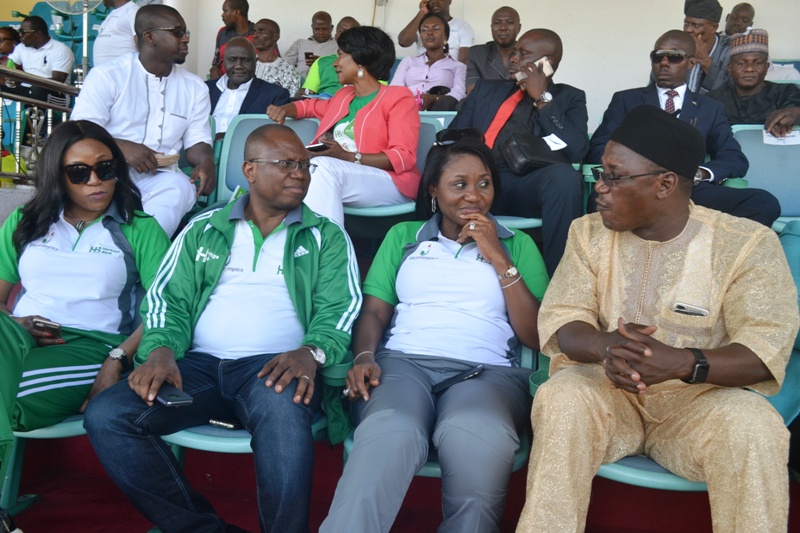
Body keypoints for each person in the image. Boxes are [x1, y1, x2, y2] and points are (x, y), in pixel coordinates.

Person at [516, 104, 798, 533]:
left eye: (614, 176)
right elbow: (563, 321)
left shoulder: (746, 244)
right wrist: (607, 346)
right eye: (600, 174)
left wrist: (686, 364)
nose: (600, 188)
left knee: (756, 424)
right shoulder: (587, 233)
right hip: (606, 395)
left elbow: (765, 349)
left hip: (700, 405)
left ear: (665, 184)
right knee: (561, 396)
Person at [83, 124, 362, 533]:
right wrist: (160, 349)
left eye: (304, 165)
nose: (300, 174)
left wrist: (313, 352)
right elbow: (167, 299)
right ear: (249, 170)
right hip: (196, 368)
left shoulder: (326, 236)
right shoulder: (204, 227)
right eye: (286, 164)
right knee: (108, 415)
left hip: (276, 370)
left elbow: (341, 308)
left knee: (285, 415)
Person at [321, 130, 548, 533]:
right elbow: (373, 312)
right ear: (433, 191)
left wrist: (498, 256)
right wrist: (364, 357)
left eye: (484, 184)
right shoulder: (403, 238)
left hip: (488, 373)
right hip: (403, 365)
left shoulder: (520, 245)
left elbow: (535, 335)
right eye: (458, 185)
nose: (473, 196)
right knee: (391, 429)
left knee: (477, 433)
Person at [0, 119, 169, 487]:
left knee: (8, 405)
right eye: (79, 172)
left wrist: (117, 359)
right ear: (57, 176)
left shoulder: (138, 228)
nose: (96, 181)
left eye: (106, 169)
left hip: (90, 346)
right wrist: (14, 325)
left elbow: (166, 309)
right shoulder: (24, 223)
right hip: (16, 340)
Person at [588, 30, 780, 228]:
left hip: (688, 191)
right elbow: (598, 148)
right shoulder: (626, 100)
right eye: (658, 56)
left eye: (674, 57)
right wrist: (636, 171)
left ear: (691, 63)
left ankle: (704, 254)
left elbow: (734, 159)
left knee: (764, 203)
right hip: (633, 187)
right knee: (599, 200)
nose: (664, 62)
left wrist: (699, 174)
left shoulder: (709, 108)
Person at [451, 28, 588, 276]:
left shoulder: (569, 98)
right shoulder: (486, 90)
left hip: (529, 186)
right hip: (479, 183)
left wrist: (543, 98)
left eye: (523, 54)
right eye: (514, 52)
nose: (513, 58)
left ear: (548, 63)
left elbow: (577, 149)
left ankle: (559, 284)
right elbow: (454, 136)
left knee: (565, 178)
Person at [71, 4, 215, 238]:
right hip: (106, 172)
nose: (185, 39)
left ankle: (138, 253)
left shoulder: (195, 87)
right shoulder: (108, 76)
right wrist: (121, 148)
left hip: (161, 177)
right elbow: (79, 130)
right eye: (177, 32)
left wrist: (206, 161)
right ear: (149, 37)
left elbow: (197, 141)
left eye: (185, 33)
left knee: (180, 188)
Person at [267, 27, 421, 226]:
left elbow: (403, 157)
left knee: (321, 167)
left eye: (340, 55)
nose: (335, 63)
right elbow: (310, 106)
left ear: (360, 59)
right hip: (337, 175)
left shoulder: (398, 97)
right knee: (285, 166)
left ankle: (327, 248)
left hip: (391, 182)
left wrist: (347, 156)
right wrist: (284, 110)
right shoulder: (343, 96)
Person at [709, 29, 800, 137]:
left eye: (758, 63)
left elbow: (795, 110)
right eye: (742, 63)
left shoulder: (786, 92)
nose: (749, 69)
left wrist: (794, 113)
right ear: (730, 68)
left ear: (767, 67)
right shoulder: (713, 100)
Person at [206, 37, 290, 139]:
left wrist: (227, 138)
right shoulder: (204, 89)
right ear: (224, 61)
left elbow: (274, 136)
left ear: (256, 62)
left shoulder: (275, 95)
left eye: (245, 60)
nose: (238, 66)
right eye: (232, 60)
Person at [390, 12, 466, 110]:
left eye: (436, 29)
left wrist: (436, 98)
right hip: (406, 108)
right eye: (424, 30)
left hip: (439, 109)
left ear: (446, 36)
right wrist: (409, 101)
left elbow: (459, 93)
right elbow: (395, 88)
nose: (429, 32)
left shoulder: (458, 66)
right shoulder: (408, 61)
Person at [6, 16, 74, 106]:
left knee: (37, 89)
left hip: (55, 94)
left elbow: (58, 81)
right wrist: (11, 78)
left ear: (37, 34)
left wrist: (24, 80)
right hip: (28, 89)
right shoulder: (21, 47)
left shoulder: (61, 49)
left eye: (23, 32)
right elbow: (9, 65)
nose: (20, 35)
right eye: (19, 31)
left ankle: (29, 118)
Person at [297, 16, 360, 99]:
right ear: (336, 35)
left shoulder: (368, 61)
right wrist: (304, 93)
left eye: (352, 32)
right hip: (325, 103)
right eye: (342, 31)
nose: (347, 35)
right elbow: (307, 91)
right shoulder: (321, 62)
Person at [465, 6, 520, 95]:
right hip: (485, 106)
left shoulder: (528, 54)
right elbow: (472, 91)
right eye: (497, 23)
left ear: (519, 28)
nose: (503, 28)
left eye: (509, 23)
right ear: (491, 28)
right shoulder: (476, 54)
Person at [398, 0, 474, 63]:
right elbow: (403, 42)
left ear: (449, 1)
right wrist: (422, 11)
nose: (434, 1)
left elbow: (465, 60)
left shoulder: (463, 27)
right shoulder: (422, 25)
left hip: (449, 75)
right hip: (420, 74)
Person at [682, 0, 730, 93]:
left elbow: (731, 91)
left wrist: (705, 61)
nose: (688, 29)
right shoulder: (677, 46)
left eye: (696, 25)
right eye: (686, 24)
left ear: (713, 28)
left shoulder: (728, 51)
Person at [252, 19, 301, 96]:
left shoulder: (288, 70)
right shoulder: (246, 64)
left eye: (261, 31)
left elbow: (290, 101)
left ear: (275, 37)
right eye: (254, 31)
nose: (255, 35)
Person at [209, 0, 254, 81]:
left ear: (236, 12)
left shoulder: (258, 33)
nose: (222, 15)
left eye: (225, 11)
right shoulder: (222, 33)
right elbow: (216, 62)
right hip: (224, 84)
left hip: (252, 85)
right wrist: (214, 69)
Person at [283, 11, 338, 78]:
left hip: (325, 84)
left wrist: (321, 63)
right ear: (312, 27)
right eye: (317, 29)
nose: (320, 32)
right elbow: (285, 65)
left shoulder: (338, 45)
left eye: (324, 29)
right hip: (298, 82)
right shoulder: (300, 43)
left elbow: (343, 66)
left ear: (331, 28)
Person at [93, 0, 139, 66]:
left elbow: (142, 43)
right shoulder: (113, 13)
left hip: (123, 72)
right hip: (104, 73)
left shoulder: (133, 10)